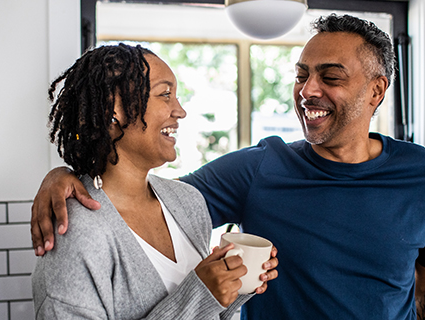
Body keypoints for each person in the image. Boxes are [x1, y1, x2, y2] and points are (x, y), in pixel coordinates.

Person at [31, 14, 425, 320]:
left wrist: (228, 290)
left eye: (330, 76)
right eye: (301, 74)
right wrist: (67, 174)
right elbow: (134, 199)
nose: (307, 91)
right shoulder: (258, 169)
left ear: (376, 91)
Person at [31, 43, 278, 319]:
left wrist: (233, 285)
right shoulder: (77, 233)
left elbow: (207, 312)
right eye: (165, 95)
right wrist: (202, 294)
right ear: (115, 111)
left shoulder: (187, 202)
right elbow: (197, 301)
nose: (180, 111)